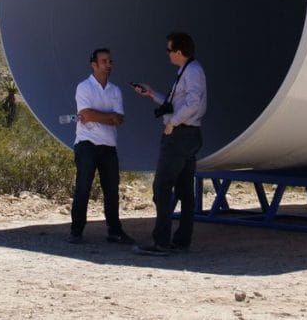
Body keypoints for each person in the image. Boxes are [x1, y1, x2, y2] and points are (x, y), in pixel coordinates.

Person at [131, 32, 207, 256]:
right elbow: (178, 102)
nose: (167, 54)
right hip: (190, 135)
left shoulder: (192, 71)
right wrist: (152, 94)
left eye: (169, 50)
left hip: (180, 136)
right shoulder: (189, 70)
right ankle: (182, 240)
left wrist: (172, 123)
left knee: (161, 187)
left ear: (179, 52)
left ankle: (161, 242)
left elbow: (192, 103)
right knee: (185, 189)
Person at [68, 48, 134, 245]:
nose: (108, 65)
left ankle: (115, 231)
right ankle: (76, 231)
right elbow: (86, 114)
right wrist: (108, 117)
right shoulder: (84, 87)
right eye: (104, 61)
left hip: (108, 145)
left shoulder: (115, 90)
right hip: (87, 144)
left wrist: (98, 116)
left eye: (110, 61)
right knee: (83, 188)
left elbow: (119, 118)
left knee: (112, 190)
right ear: (94, 65)